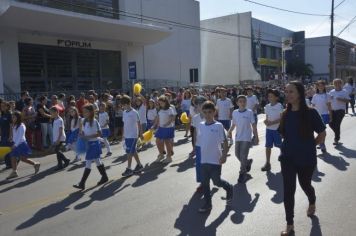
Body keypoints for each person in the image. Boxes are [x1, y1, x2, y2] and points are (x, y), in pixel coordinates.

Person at [278, 81, 326, 236]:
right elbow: (283, 134)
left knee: (305, 185)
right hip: (288, 158)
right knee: (288, 191)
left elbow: (322, 134)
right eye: (286, 91)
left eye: (291, 91)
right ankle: (290, 224)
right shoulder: (284, 114)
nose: (287, 94)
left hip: (306, 158)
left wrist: (309, 146)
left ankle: (312, 199)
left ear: (299, 93)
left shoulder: (311, 113)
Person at [197, 101, 233, 213]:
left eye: (210, 112)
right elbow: (199, 141)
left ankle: (229, 187)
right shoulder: (201, 125)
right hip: (204, 160)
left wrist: (224, 155)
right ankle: (208, 204)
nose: (207, 114)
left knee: (217, 182)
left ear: (214, 112)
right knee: (205, 183)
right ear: (203, 113)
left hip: (215, 160)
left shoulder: (218, 126)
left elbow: (225, 142)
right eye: (205, 112)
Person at [73, 104, 109, 190]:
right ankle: (104, 177)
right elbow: (85, 133)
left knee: (88, 162)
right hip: (89, 144)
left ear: (91, 112)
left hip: (94, 144)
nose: (84, 113)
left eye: (86, 112)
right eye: (83, 111)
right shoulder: (84, 121)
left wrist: (87, 137)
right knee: (97, 161)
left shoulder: (95, 121)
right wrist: (81, 134)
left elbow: (99, 133)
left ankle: (82, 183)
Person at [228, 95, 259, 183]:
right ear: (237, 103)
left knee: (243, 155)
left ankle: (242, 174)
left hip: (246, 137)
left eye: (244, 101)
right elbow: (234, 124)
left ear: (246, 103)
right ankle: (247, 162)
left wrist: (256, 137)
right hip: (238, 137)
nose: (242, 103)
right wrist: (230, 131)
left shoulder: (249, 112)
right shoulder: (235, 112)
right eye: (240, 101)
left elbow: (253, 125)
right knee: (237, 154)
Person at [6, 111, 40, 179]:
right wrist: (11, 139)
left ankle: (36, 164)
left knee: (23, 159)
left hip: (21, 144)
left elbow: (20, 137)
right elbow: (15, 136)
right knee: (13, 157)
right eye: (12, 117)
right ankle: (14, 172)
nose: (12, 118)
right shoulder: (13, 125)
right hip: (15, 144)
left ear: (18, 117)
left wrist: (15, 145)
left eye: (14, 117)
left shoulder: (22, 126)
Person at [120, 95, 144, 177]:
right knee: (133, 151)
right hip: (127, 136)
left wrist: (140, 134)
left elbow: (139, 123)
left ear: (127, 104)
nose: (122, 106)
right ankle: (139, 165)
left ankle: (129, 169)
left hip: (133, 135)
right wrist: (123, 135)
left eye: (123, 105)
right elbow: (124, 124)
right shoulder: (124, 112)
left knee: (129, 153)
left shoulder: (134, 112)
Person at [262, 89, 283, 172]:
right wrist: (266, 122)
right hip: (269, 130)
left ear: (276, 97)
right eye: (269, 96)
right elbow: (267, 118)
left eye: (271, 96)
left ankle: (283, 155)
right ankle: (267, 163)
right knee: (268, 146)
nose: (269, 98)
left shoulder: (279, 105)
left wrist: (273, 123)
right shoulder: (267, 106)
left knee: (279, 145)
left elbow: (282, 118)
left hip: (277, 129)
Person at [191, 96, 207, 193]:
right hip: (199, 145)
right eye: (197, 104)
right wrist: (194, 144)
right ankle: (202, 182)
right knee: (199, 164)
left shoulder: (209, 115)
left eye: (201, 104)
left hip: (208, 145)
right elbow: (195, 132)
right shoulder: (195, 118)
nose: (199, 106)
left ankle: (211, 178)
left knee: (208, 164)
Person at [153, 95, 175, 164]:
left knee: (167, 142)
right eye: (159, 103)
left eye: (162, 103)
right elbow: (157, 118)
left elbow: (172, 118)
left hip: (168, 128)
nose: (161, 104)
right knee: (157, 141)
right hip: (161, 128)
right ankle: (161, 154)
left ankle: (169, 157)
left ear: (165, 102)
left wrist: (167, 124)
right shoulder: (160, 110)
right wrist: (154, 125)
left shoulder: (170, 109)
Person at [311, 80, 331, 153]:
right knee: (313, 131)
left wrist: (330, 116)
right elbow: (312, 106)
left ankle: (322, 144)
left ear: (324, 86)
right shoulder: (315, 96)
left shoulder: (327, 95)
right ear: (317, 87)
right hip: (316, 115)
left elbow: (329, 106)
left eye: (322, 85)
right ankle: (318, 143)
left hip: (325, 114)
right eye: (319, 85)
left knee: (322, 131)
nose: (320, 87)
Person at [329, 78, 350, 145]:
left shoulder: (344, 91)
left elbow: (348, 100)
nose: (336, 84)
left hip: (340, 111)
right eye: (335, 83)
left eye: (338, 83)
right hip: (332, 110)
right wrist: (330, 98)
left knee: (337, 125)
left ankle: (336, 139)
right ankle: (337, 134)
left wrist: (341, 99)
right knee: (331, 124)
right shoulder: (331, 91)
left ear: (341, 84)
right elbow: (328, 100)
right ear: (333, 84)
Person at [50, 106, 70, 171]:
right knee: (57, 151)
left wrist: (58, 139)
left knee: (57, 150)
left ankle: (64, 161)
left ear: (56, 112)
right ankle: (62, 163)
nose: (51, 114)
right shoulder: (55, 120)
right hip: (56, 138)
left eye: (52, 113)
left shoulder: (60, 120)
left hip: (60, 138)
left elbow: (61, 130)